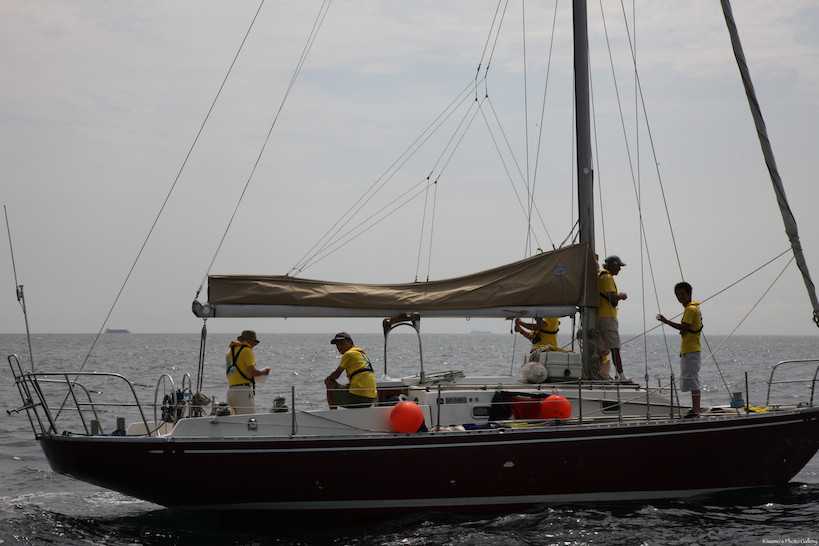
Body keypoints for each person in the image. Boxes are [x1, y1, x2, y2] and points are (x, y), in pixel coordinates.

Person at [656, 282, 703, 417]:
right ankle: (695, 408)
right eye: (678, 294)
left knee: (693, 380)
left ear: (689, 294)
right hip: (689, 350)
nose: (680, 296)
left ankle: (696, 410)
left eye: (683, 294)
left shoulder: (690, 309)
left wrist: (666, 321)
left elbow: (685, 327)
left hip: (691, 350)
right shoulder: (691, 308)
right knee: (691, 380)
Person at [598, 255, 630, 382]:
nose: (620, 269)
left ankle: (598, 373)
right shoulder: (607, 277)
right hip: (607, 317)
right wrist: (622, 295)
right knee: (615, 347)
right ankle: (622, 377)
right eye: (618, 266)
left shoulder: (600, 276)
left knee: (601, 349)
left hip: (599, 316)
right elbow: (611, 297)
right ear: (612, 265)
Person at [325, 332, 377, 409]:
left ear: (351, 342)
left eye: (342, 343)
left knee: (329, 382)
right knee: (348, 386)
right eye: (337, 345)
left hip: (357, 398)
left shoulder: (348, 354)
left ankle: (333, 413)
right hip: (371, 399)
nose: (340, 347)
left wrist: (328, 379)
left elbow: (336, 375)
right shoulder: (361, 354)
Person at [225, 330, 271, 415]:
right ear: (250, 340)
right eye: (254, 343)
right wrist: (264, 372)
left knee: (234, 420)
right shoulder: (246, 350)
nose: (253, 345)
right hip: (243, 392)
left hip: (231, 392)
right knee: (248, 419)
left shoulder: (230, 352)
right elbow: (252, 372)